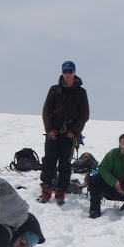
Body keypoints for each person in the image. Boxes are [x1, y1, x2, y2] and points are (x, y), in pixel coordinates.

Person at [39, 60, 90, 205]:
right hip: (53, 132)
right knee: (49, 161)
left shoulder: (81, 92)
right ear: (62, 73)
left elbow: (84, 115)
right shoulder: (54, 90)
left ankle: (61, 191)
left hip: (69, 134)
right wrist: (49, 129)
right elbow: (47, 110)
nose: (67, 74)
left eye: (70, 71)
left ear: (74, 72)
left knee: (65, 164)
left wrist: (74, 132)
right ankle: (46, 190)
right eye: (65, 71)